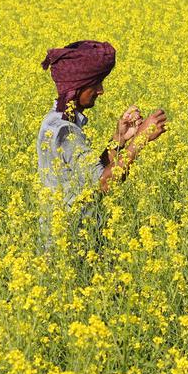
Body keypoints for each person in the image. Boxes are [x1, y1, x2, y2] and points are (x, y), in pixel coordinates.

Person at [36, 39, 167, 250]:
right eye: (95, 84)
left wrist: (119, 140)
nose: (100, 90)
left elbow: (89, 175)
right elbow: (104, 183)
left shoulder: (53, 121)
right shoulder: (64, 130)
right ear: (77, 88)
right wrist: (141, 138)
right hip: (69, 245)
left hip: (69, 240)